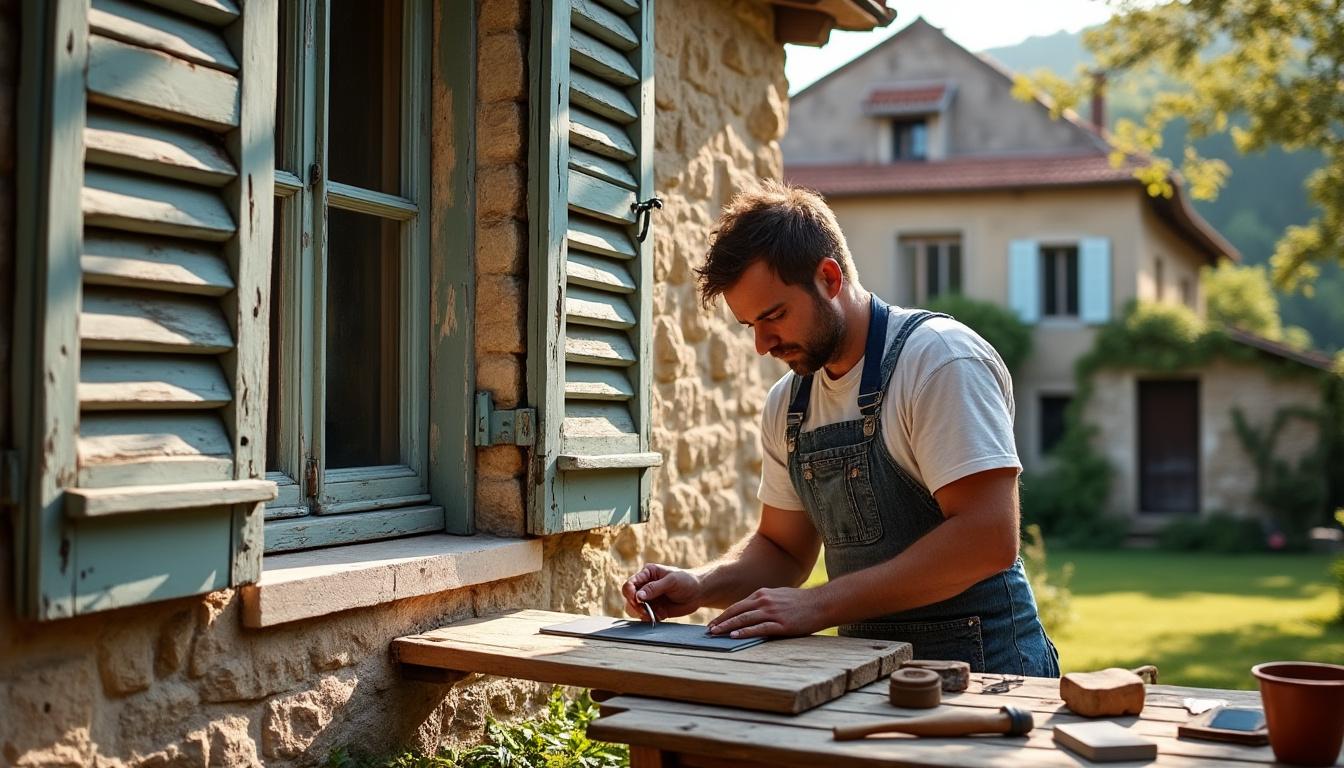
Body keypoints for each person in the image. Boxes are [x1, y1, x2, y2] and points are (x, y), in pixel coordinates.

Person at [621, 181, 1060, 676]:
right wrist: (700, 584)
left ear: (829, 277)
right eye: (750, 327)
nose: (763, 346)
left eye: (775, 317)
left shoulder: (938, 361)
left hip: (986, 670)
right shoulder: (788, 403)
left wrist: (818, 606)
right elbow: (784, 549)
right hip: (869, 670)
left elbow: (987, 538)